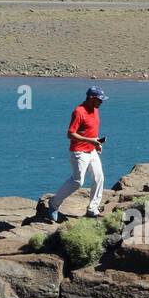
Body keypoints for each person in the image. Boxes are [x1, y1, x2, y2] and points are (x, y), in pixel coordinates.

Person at [44, 86, 107, 222]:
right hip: (79, 152)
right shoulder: (79, 111)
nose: (101, 102)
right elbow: (70, 134)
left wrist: (96, 143)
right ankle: (53, 204)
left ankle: (92, 208)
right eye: (99, 100)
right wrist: (90, 140)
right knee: (78, 182)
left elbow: (90, 130)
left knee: (99, 178)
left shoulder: (95, 110)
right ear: (91, 98)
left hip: (92, 150)